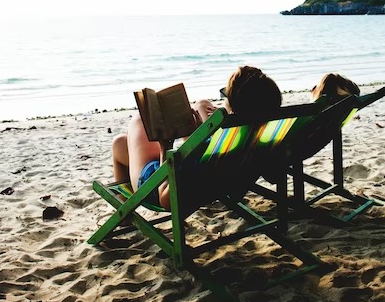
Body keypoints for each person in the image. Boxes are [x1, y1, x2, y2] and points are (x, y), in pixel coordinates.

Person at [111, 66, 282, 209]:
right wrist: (197, 135)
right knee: (120, 142)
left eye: (225, 95)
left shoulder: (214, 147)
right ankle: (123, 204)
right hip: (210, 183)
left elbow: (166, 200)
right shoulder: (262, 139)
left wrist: (166, 147)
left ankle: (123, 207)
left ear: (233, 107)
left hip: (155, 184)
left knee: (138, 120)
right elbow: (273, 176)